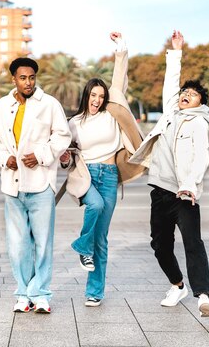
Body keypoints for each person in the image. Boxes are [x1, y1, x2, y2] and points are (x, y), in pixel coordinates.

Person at [129, 30, 209, 317]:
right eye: (184, 93)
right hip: (160, 191)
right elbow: (171, 83)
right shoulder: (169, 113)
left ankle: (203, 295)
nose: (184, 96)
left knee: (193, 243)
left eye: (192, 95)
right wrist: (176, 51)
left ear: (201, 103)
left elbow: (201, 157)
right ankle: (178, 285)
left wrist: (190, 186)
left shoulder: (198, 124)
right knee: (159, 245)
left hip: (184, 193)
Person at [59, 31, 145, 307]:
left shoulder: (111, 115)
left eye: (100, 95)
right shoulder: (73, 123)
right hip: (86, 176)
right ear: (86, 96)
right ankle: (82, 246)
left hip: (109, 177)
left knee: (102, 239)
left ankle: (94, 292)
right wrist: (62, 158)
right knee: (94, 207)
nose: (96, 99)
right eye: (92, 95)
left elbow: (119, 80)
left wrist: (121, 48)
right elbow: (66, 152)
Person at [0, 57, 71, 314]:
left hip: (41, 183)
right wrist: (4, 158)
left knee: (43, 243)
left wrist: (42, 155)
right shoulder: (1, 106)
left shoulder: (50, 104)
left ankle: (41, 294)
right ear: (14, 79)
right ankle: (23, 293)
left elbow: (62, 136)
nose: (28, 82)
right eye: (23, 78)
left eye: (32, 77)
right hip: (12, 186)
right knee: (17, 244)